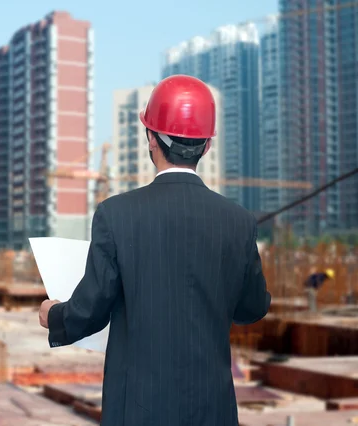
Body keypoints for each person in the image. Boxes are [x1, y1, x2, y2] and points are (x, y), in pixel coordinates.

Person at [38, 75, 271, 426]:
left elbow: (91, 310)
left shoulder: (116, 214)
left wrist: (54, 315)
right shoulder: (238, 221)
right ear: (207, 146)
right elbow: (252, 307)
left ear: (151, 138)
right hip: (213, 411)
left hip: (139, 411)